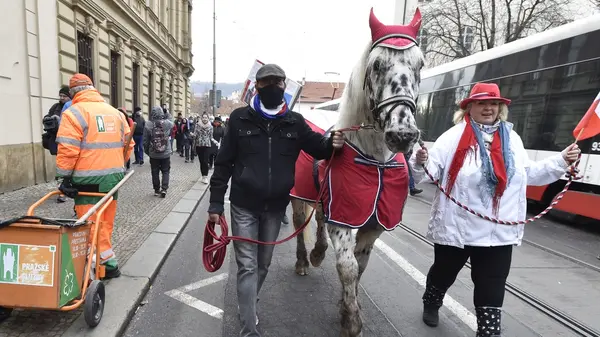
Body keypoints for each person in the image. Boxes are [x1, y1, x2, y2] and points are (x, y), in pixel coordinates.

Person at [409, 82, 581, 337]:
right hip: (458, 227)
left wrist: (560, 160)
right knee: (444, 273)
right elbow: (430, 173)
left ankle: (488, 332)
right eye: (481, 103)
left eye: (493, 104)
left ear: (500, 108)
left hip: (498, 231)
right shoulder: (453, 136)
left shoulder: (512, 138)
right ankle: (432, 301)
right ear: (469, 108)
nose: (488, 108)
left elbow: (527, 174)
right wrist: (420, 160)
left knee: (492, 284)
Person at [207, 64, 345, 337]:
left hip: (275, 208)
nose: (273, 87)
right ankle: (249, 329)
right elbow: (223, 164)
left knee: (263, 264)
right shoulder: (239, 119)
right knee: (247, 266)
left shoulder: (294, 121)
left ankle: (248, 304)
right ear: (256, 87)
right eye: (267, 82)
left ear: (285, 87)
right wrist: (214, 204)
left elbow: (318, 147)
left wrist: (334, 142)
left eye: (278, 82)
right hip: (243, 205)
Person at [56, 73, 134, 279]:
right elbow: (129, 144)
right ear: (93, 88)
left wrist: (64, 178)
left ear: (73, 93)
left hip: (88, 179)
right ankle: (107, 261)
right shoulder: (115, 113)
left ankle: (99, 267)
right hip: (114, 178)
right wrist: (116, 163)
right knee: (105, 221)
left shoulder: (74, 113)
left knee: (90, 222)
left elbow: (68, 149)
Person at [42, 86, 72, 203]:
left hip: (70, 142)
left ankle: (67, 189)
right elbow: (46, 118)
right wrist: (49, 119)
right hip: (57, 141)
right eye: (61, 96)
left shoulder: (73, 107)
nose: (62, 98)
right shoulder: (55, 107)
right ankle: (63, 191)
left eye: (64, 96)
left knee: (68, 167)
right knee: (62, 167)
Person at [143, 106, 174, 197]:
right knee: (166, 171)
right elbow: (172, 121)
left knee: (154, 171)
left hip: (153, 154)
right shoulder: (167, 124)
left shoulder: (148, 124)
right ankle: (164, 189)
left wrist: (148, 152)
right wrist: (167, 112)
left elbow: (145, 141)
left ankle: (156, 190)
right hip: (165, 153)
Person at [193, 113, 217, 183]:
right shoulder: (197, 125)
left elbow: (211, 137)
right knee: (201, 161)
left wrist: (215, 142)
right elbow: (195, 134)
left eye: (206, 117)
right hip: (199, 145)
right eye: (203, 117)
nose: (204, 119)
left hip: (207, 145)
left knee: (205, 161)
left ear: (208, 118)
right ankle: (203, 175)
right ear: (201, 118)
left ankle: (205, 176)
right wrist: (192, 135)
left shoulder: (210, 127)